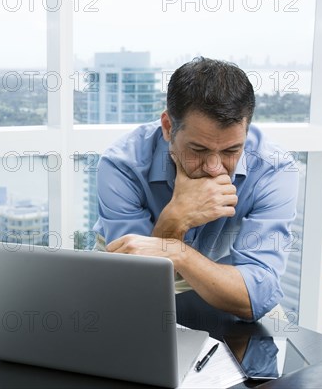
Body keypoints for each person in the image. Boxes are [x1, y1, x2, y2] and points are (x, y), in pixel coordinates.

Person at [92, 57, 299, 321]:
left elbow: (257, 296)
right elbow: (135, 287)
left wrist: (179, 253)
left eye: (231, 151)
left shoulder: (274, 168)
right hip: (132, 293)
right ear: (168, 127)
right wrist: (176, 216)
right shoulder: (122, 164)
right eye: (198, 150)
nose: (214, 167)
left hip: (220, 294)